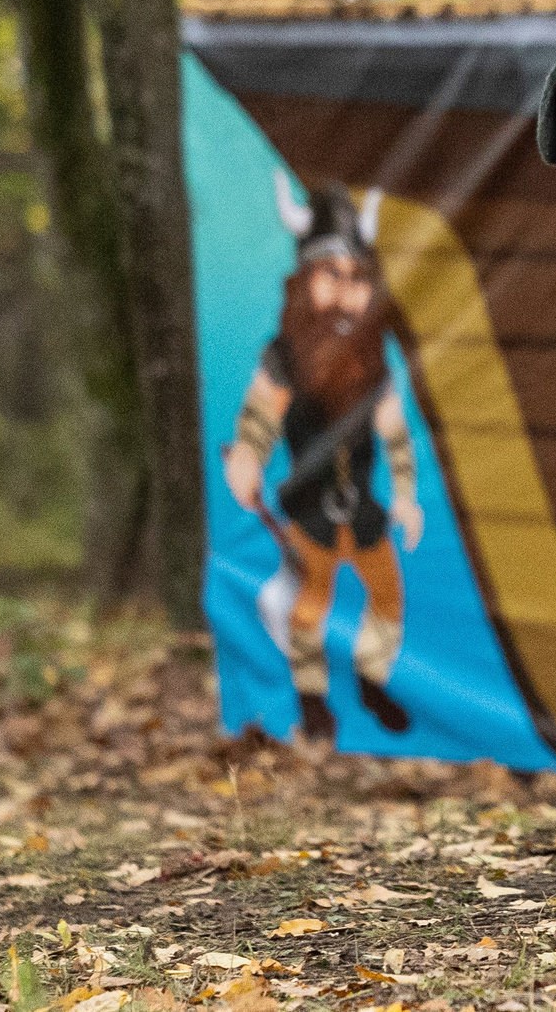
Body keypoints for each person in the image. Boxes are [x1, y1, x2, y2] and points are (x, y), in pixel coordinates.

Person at [224, 178, 424, 742]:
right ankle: (312, 701)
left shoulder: (371, 363)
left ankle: (370, 679)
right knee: (309, 608)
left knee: (387, 597)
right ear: (305, 281)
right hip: (310, 512)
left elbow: (396, 436)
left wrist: (406, 496)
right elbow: (260, 419)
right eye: (331, 277)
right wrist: (246, 459)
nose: (344, 293)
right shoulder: (286, 357)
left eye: (358, 279)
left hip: (363, 510)